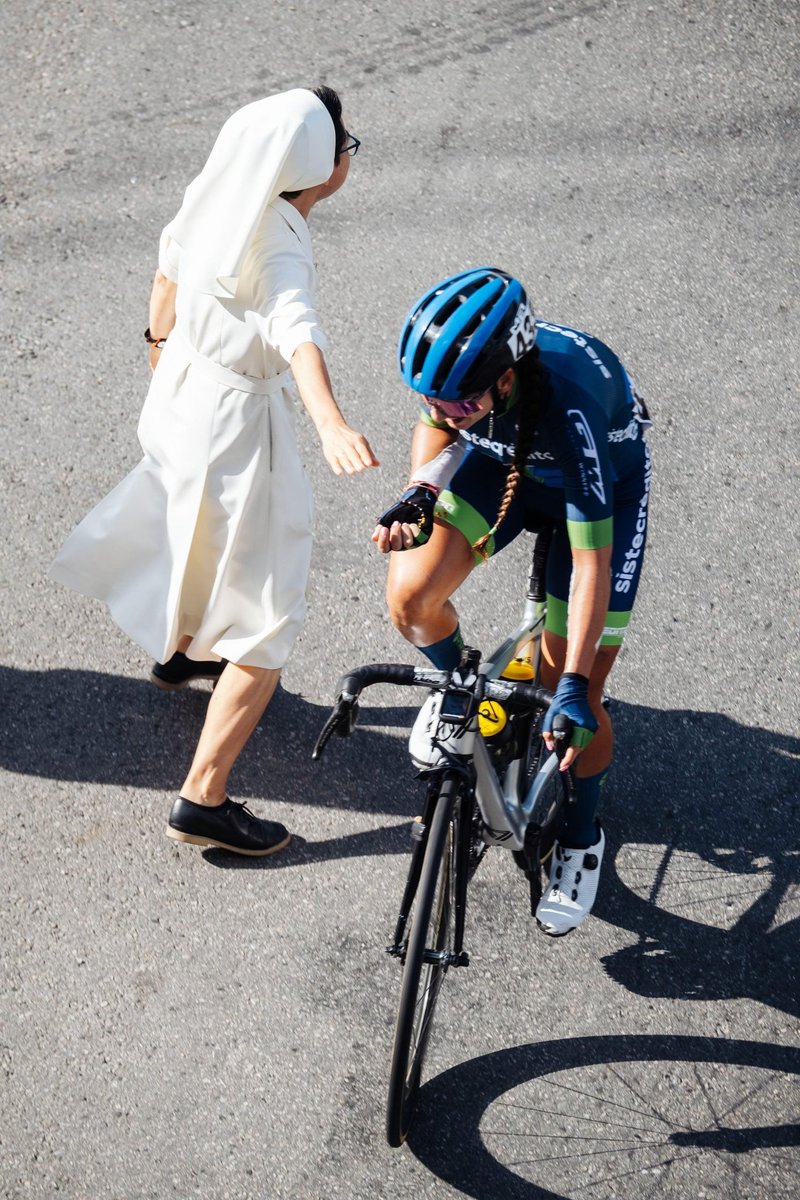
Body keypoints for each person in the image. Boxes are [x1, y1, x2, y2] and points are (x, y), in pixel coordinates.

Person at [51, 87, 378, 857]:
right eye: (345, 144)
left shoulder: (218, 191)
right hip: (236, 427)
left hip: (184, 395)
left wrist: (160, 350)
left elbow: (166, 276)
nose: (347, 155)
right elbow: (298, 335)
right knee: (268, 615)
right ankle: (203, 797)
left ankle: (185, 649)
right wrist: (331, 424)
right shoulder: (281, 241)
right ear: (315, 167)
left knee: (191, 524)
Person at [372, 267, 651, 935]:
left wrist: (575, 685)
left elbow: (591, 563)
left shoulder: (570, 406)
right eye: (432, 399)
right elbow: (437, 424)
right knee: (411, 597)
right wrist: (420, 490)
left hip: (597, 490)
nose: (444, 412)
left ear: (506, 377)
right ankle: (462, 684)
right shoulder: (465, 385)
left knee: (567, 697)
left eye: (459, 402)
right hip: (508, 464)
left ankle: (581, 837)